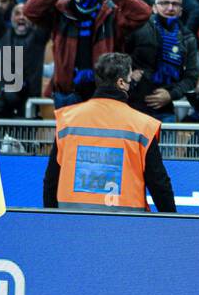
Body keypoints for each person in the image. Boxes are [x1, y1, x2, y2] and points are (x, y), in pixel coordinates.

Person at [42, 52, 175, 212]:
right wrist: (171, 223)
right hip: (125, 227)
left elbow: (51, 180)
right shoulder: (142, 126)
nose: (132, 81)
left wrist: (50, 220)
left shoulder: (68, 120)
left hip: (72, 224)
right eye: (130, 78)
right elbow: (159, 184)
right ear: (121, 83)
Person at [23, 0, 153, 107]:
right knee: (71, 131)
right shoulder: (60, 12)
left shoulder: (112, 14)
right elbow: (30, 10)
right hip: (67, 93)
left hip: (105, 94)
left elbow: (144, 13)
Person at [124, 0, 199, 122]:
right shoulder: (138, 28)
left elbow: (192, 76)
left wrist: (171, 94)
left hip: (164, 109)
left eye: (175, 4)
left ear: (181, 11)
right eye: (164, 3)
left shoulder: (188, 38)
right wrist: (128, 72)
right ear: (154, 7)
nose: (170, 8)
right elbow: (119, 54)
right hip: (132, 105)